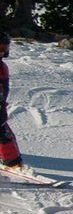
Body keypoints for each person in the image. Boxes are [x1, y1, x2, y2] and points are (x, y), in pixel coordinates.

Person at [0, 31, 26, 170]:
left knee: (5, 134)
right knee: (4, 135)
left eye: (4, 49)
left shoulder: (3, 67)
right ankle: (12, 163)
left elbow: (3, 90)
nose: (2, 52)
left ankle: (13, 163)